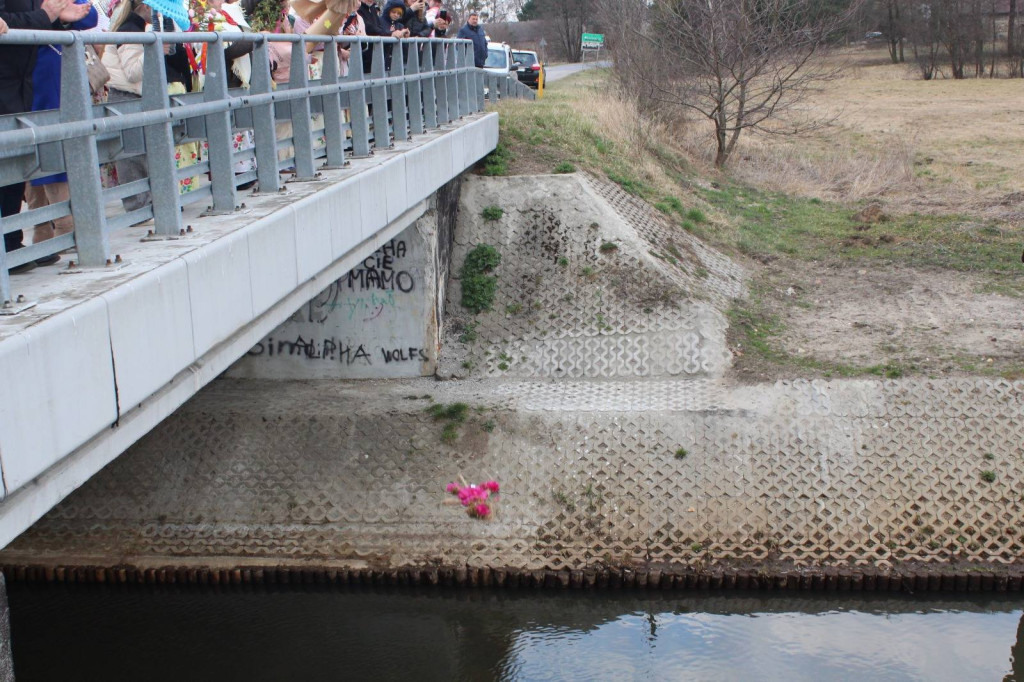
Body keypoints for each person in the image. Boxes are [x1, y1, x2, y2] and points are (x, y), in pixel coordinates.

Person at [1, 0, 92, 273]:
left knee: (16, 166)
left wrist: (57, 19)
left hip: (21, 81)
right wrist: (45, 15)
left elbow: (21, 20)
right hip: (8, 79)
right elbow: (6, 21)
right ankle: (12, 242)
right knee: (10, 163)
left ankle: (12, 241)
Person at [27, 0, 98, 262]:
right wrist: (50, 14)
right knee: (36, 146)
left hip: (55, 69)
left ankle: (52, 232)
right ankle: (53, 229)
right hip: (30, 69)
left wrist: (63, 16)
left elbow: (88, 17)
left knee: (53, 145)